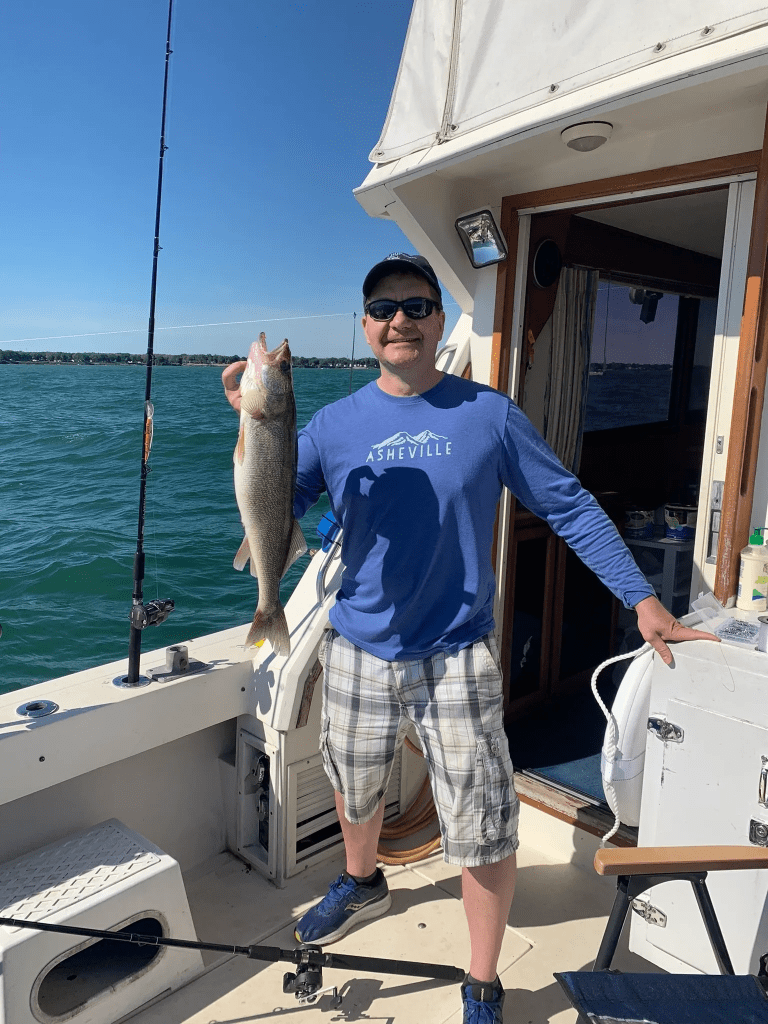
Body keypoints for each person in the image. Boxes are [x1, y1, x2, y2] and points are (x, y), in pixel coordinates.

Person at [222, 252, 718, 1024]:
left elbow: (572, 506)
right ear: (365, 326)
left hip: (457, 654)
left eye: (418, 306)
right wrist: (250, 431)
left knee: (484, 825)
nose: (401, 321)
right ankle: (361, 879)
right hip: (357, 644)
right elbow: (276, 524)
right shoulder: (327, 424)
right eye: (384, 308)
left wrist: (643, 598)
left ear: (431, 319)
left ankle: (483, 980)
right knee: (354, 787)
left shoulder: (489, 414)